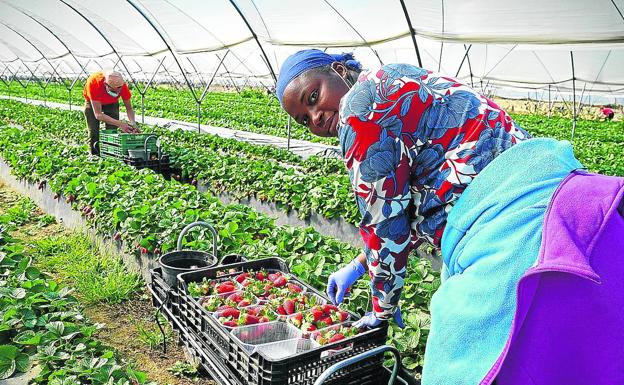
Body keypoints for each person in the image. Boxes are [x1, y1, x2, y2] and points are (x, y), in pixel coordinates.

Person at [276, 49, 624, 385]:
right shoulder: (394, 75)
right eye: (304, 120)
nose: (316, 118)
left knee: (460, 361)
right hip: (570, 203)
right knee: (584, 349)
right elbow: (425, 193)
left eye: (312, 97)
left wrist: (382, 306)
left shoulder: (358, 108)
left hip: (514, 229)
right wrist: (360, 263)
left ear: (338, 70)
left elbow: (384, 225)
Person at [83, 69, 139, 155]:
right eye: (114, 91)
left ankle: (111, 154)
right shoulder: (94, 83)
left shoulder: (122, 86)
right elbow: (98, 115)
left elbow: (129, 109)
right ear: (106, 84)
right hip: (92, 102)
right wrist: (120, 124)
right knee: (93, 130)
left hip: (111, 102)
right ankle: (94, 155)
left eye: (119, 90)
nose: (117, 92)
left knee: (112, 130)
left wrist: (133, 123)